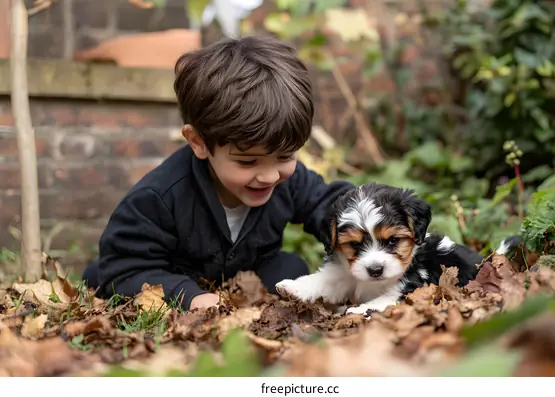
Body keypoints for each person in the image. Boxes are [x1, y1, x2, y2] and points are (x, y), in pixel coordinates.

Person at [81, 35, 355, 312]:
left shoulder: (290, 181)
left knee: (291, 268)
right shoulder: (158, 197)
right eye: (248, 162)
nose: (270, 175)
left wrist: (364, 226)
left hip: (245, 275)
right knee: (113, 280)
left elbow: (329, 204)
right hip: (175, 276)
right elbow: (124, 267)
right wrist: (191, 297)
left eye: (285, 156)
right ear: (199, 142)